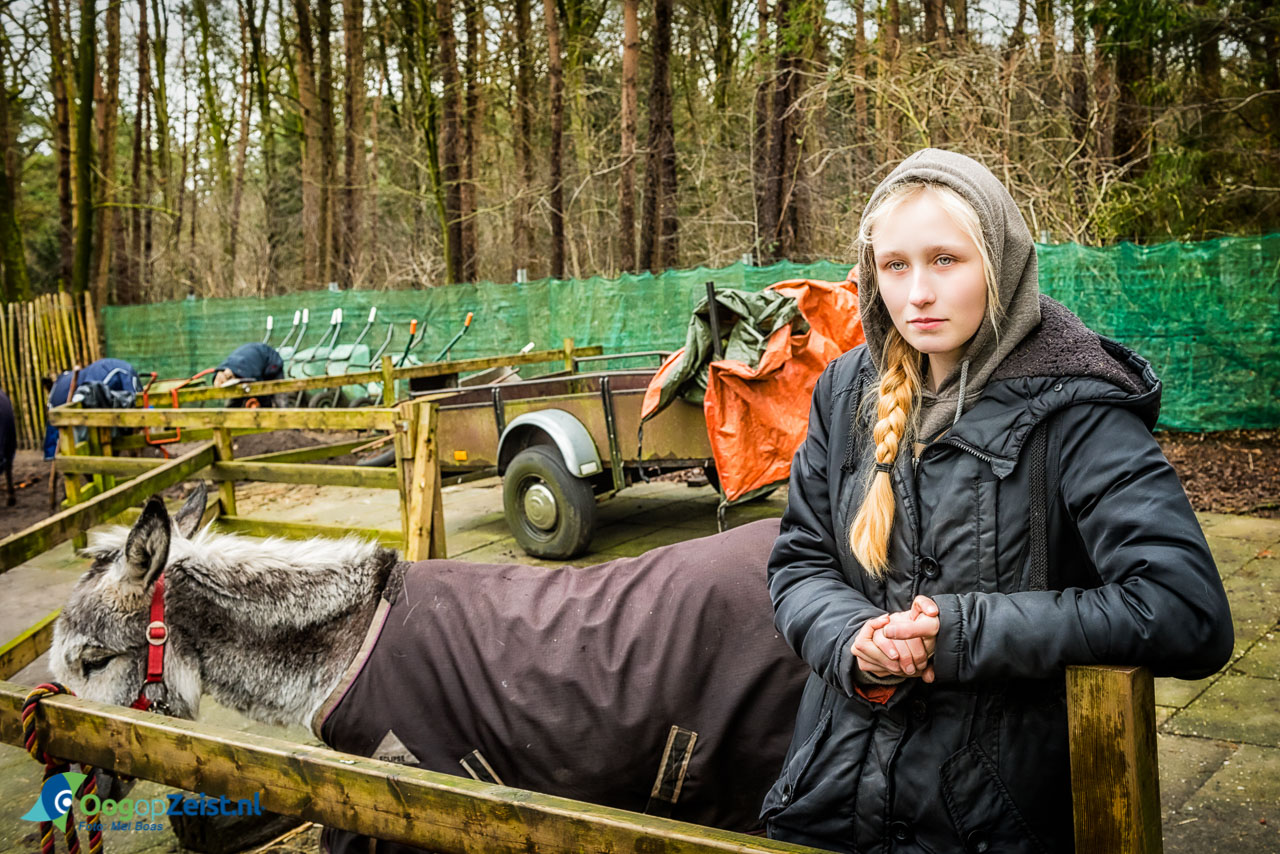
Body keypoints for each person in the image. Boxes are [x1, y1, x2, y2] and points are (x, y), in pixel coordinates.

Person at [761, 148, 1233, 853]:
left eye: (945, 260)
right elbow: (799, 562)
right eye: (895, 266)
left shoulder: (1078, 407)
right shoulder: (843, 391)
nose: (918, 293)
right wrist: (854, 638)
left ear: (1000, 262)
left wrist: (962, 634)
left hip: (993, 814)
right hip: (829, 793)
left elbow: (1184, 611)